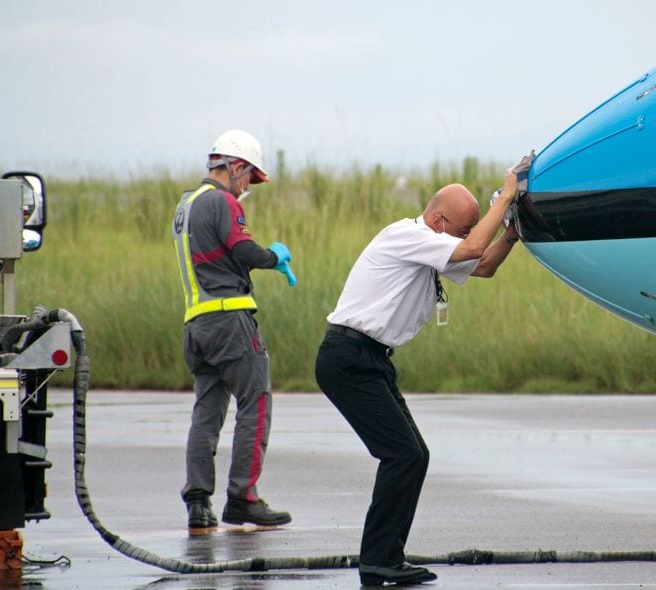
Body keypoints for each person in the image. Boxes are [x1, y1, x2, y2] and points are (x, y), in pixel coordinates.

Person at [314, 164, 524, 586]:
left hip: (371, 360)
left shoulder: (431, 247)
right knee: (403, 455)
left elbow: (482, 266)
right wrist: (504, 197)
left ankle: (386, 556)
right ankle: (378, 560)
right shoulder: (406, 236)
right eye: (462, 229)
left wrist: (511, 234)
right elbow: (469, 253)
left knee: (414, 456)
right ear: (437, 221)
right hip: (348, 357)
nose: (467, 238)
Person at [171, 129, 297, 530]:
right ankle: (243, 497)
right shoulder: (223, 201)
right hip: (231, 323)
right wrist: (273, 257)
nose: (246, 189)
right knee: (255, 402)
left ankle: (197, 501)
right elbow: (243, 250)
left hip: (197, 325)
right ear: (235, 166)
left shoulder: (185, 205)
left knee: (207, 413)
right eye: (248, 178)